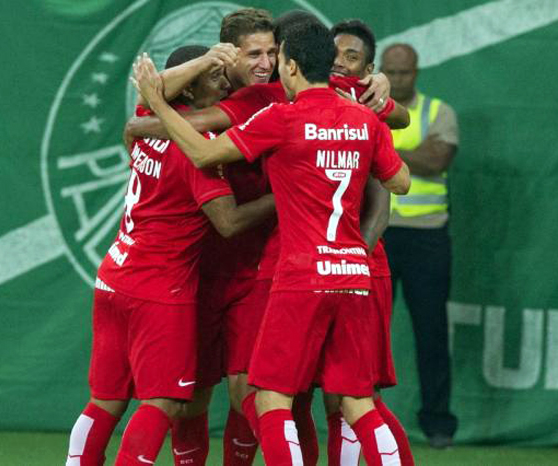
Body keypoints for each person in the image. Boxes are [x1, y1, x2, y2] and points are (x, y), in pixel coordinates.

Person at [132, 19, 411, 466]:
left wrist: (156, 108)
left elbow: (203, 151)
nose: (267, 65)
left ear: (291, 64)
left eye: (274, 56)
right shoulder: (360, 116)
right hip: (352, 273)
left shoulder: (280, 116)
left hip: (298, 273)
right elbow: (400, 181)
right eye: (254, 55)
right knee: (357, 401)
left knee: (272, 400)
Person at [65, 44, 276, 466]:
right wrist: (282, 195)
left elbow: (148, 104)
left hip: (114, 276)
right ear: (191, 92)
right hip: (160, 287)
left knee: (104, 400)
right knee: (162, 403)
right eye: (215, 78)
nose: (225, 85)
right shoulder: (198, 146)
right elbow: (229, 222)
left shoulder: (144, 125)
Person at [325, 19, 415, 466]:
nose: (340, 61)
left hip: (357, 265)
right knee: (319, 394)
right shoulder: (304, 98)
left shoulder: (368, 109)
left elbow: (382, 206)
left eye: (352, 57)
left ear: (369, 67)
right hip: (311, 268)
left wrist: (350, 258)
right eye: (334, 52)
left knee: (356, 395)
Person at [380, 43, 460, 448]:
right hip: (377, 234)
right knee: (367, 334)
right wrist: (413, 153)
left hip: (428, 237)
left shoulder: (438, 111)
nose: (396, 80)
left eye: (404, 72)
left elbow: (437, 160)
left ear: (417, 72)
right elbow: (423, 156)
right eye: (390, 72)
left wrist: (383, 150)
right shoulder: (366, 110)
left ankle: (438, 423)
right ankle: (359, 418)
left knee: (431, 333)